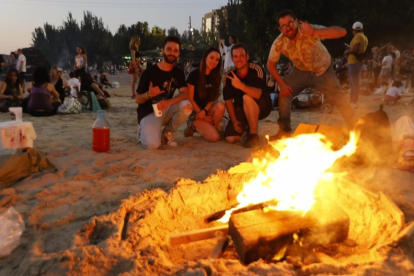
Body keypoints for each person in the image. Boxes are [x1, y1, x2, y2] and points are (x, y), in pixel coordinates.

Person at [267, 9, 355, 140]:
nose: (288, 28)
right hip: (300, 72)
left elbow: (342, 32)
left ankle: (357, 131)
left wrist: (314, 31)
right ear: (280, 29)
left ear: (296, 21)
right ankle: (284, 131)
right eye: (283, 26)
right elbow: (270, 64)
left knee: (340, 100)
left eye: (290, 23)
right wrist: (282, 85)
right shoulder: (279, 42)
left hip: (323, 71)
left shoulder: (309, 30)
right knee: (284, 94)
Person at [135, 35, 192, 150]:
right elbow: (137, 99)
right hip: (149, 113)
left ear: (178, 54)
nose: (172, 53)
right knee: (153, 145)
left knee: (187, 106)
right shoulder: (149, 72)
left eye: (175, 50)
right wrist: (149, 94)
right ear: (163, 50)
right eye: (169, 49)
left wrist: (168, 102)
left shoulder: (178, 73)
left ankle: (167, 132)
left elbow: (185, 94)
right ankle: (142, 130)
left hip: (165, 109)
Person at [223, 44, 272, 148]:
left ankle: (253, 135)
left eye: (241, 56)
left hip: (262, 105)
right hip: (242, 108)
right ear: (232, 59)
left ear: (247, 57)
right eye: (235, 56)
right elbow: (228, 100)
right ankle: (247, 128)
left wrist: (241, 86)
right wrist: (234, 120)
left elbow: (258, 94)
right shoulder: (229, 76)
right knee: (230, 138)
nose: (238, 59)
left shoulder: (256, 69)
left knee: (247, 97)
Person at [185, 47, 225, 142]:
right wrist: (200, 113)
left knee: (221, 106)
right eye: (211, 58)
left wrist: (205, 112)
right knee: (214, 138)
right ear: (205, 57)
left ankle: (211, 128)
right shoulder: (194, 74)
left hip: (207, 110)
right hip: (195, 112)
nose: (214, 62)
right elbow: (190, 98)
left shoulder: (216, 76)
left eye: (217, 60)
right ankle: (193, 125)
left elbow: (212, 98)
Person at [346, 21, 368, 108]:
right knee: (353, 83)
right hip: (355, 62)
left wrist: (347, 51)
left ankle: (354, 102)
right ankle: (352, 102)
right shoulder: (364, 36)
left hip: (353, 62)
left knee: (354, 83)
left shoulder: (358, 36)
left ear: (353, 29)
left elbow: (355, 49)